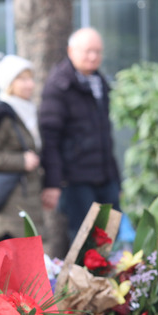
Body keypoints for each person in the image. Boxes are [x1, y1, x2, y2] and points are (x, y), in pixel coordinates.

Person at [38, 27, 122, 244]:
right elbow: (50, 138)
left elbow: (105, 136)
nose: (93, 57)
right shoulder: (59, 85)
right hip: (76, 179)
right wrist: (53, 182)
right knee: (84, 242)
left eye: (98, 51)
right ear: (71, 51)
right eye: (87, 51)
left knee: (111, 237)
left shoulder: (100, 82)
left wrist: (116, 180)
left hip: (105, 176)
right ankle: (83, 279)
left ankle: (106, 280)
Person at [0, 53, 46, 246]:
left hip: (28, 201)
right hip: (8, 208)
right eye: (22, 79)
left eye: (30, 78)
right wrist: (21, 161)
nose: (29, 84)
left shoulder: (29, 111)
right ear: (8, 82)